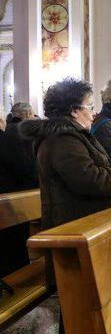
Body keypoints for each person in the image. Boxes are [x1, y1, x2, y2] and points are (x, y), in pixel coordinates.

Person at [20, 78, 111, 280]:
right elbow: (90, 179)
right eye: (90, 105)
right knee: (80, 295)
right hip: (74, 228)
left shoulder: (73, 135)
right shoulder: (63, 140)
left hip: (84, 225)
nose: (94, 112)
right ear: (74, 110)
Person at [0, 103, 38, 277]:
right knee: (15, 244)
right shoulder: (21, 133)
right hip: (18, 193)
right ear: (28, 114)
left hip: (10, 192)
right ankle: (18, 276)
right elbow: (26, 166)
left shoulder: (8, 132)